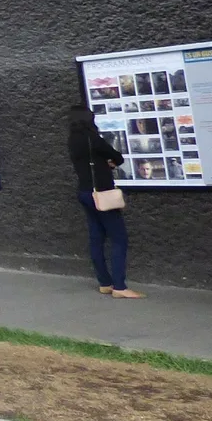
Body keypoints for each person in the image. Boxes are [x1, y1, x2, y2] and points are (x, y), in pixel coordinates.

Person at [69, 105, 141, 299]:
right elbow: (117, 157)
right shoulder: (92, 139)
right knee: (119, 238)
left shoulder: (73, 140)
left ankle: (104, 282)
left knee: (96, 237)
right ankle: (119, 286)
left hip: (85, 192)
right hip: (101, 193)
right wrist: (109, 163)